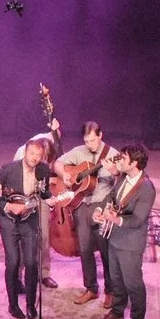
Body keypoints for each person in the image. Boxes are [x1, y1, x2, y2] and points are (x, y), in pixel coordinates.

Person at [0, 135, 54, 319]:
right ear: (25, 152)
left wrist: (51, 199)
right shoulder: (8, 169)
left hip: (30, 220)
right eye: (32, 153)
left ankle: (30, 304)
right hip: (9, 221)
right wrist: (7, 206)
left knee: (31, 262)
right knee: (12, 262)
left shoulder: (43, 169)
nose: (35, 157)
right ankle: (13, 305)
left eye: (39, 154)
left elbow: (44, 192)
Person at [99, 142, 155, 319]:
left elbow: (138, 219)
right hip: (115, 238)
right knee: (116, 279)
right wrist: (101, 209)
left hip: (130, 244)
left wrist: (116, 219)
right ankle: (117, 311)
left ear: (133, 163)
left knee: (133, 283)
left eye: (123, 158)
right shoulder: (123, 178)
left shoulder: (146, 188)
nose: (119, 161)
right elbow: (112, 197)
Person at [57, 119, 114, 305]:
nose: (89, 145)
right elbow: (58, 163)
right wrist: (64, 174)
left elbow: (121, 181)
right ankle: (91, 288)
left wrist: (114, 170)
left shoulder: (112, 154)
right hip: (81, 204)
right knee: (84, 248)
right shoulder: (79, 151)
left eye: (93, 140)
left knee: (105, 249)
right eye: (86, 141)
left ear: (100, 136)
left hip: (102, 203)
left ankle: (111, 291)